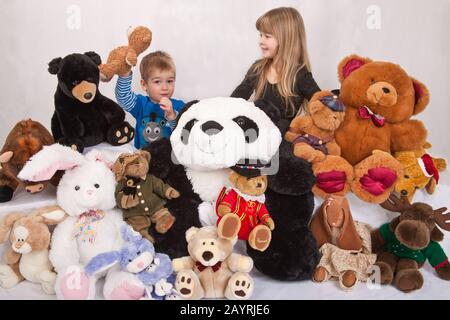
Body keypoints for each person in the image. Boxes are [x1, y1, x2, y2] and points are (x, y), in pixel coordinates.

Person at [231, 7, 320, 121]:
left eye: (267, 36)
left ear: (286, 39)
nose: (261, 41)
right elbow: (234, 101)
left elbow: (323, 105)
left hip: (281, 137)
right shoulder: (258, 68)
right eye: (260, 35)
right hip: (257, 135)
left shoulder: (300, 75)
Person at [115, 51, 185, 148]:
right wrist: (125, 75)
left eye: (169, 81)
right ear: (144, 85)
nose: (165, 87)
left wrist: (172, 116)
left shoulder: (179, 106)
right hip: (144, 158)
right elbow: (123, 96)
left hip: (168, 159)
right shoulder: (141, 104)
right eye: (157, 82)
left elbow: (184, 137)